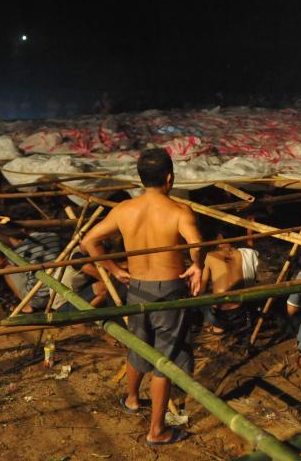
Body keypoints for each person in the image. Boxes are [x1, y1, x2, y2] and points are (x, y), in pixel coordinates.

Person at [81, 148, 202, 447]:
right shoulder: (179, 211)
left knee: (138, 342)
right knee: (165, 357)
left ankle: (133, 399)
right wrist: (198, 266)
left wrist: (112, 267)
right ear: (170, 178)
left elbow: (88, 241)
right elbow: (196, 243)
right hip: (169, 291)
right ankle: (157, 430)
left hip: (136, 288)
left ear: (140, 178)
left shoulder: (124, 209)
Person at [201, 226, 259, 334]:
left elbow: (202, 289)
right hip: (239, 312)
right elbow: (251, 248)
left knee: (201, 300)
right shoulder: (243, 254)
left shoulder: (210, 256)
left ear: (219, 238)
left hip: (219, 314)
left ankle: (216, 326)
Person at [2, 231, 62, 312]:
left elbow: (2, 262)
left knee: (7, 269)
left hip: (36, 299)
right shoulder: (54, 236)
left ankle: (26, 305)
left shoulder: (17, 251)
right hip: (58, 292)